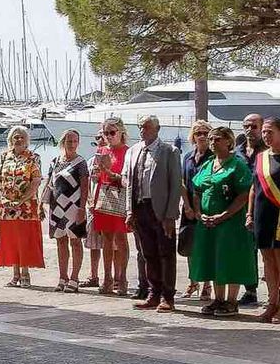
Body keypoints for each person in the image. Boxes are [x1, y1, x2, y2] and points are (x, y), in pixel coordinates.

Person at [188, 127, 257, 317]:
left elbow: (244, 194)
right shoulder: (208, 164)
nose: (212, 142)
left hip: (230, 223)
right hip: (207, 223)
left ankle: (231, 301)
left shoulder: (237, 165)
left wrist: (224, 215)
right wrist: (198, 212)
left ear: (228, 141)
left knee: (230, 259)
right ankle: (217, 299)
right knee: (214, 258)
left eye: (217, 139)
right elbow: (197, 190)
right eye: (211, 139)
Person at [123, 115, 183, 313]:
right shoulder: (133, 151)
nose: (143, 130)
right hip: (140, 207)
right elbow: (130, 184)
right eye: (141, 127)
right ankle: (153, 292)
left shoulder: (169, 151)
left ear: (157, 129)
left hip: (161, 209)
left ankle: (168, 296)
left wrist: (170, 215)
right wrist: (129, 211)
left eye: (147, 127)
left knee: (166, 253)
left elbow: (175, 185)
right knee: (147, 253)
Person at [245, 118, 280, 324]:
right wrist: (249, 214)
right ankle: (272, 302)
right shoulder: (261, 157)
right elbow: (254, 187)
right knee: (267, 259)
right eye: (265, 132)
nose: (267, 136)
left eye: (270, 132)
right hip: (262, 213)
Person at [0, 126, 45, 288]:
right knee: (11, 240)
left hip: (26, 207)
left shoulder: (33, 157)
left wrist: (22, 200)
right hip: (7, 207)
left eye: (22, 137)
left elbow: (36, 181)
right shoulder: (4, 157)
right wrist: (3, 198)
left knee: (25, 240)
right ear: (10, 140)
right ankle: (15, 274)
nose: (19, 140)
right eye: (15, 137)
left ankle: (25, 273)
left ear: (27, 140)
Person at [44, 129, 88, 293]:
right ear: (63, 142)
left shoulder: (81, 163)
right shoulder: (55, 161)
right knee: (60, 241)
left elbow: (85, 188)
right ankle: (63, 277)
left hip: (74, 207)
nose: (72, 144)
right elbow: (50, 184)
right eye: (69, 141)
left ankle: (75, 278)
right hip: (57, 208)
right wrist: (44, 205)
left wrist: (83, 208)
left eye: (75, 141)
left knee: (75, 241)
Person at [91, 117, 131, 296]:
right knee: (106, 239)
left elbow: (128, 179)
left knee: (121, 239)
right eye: (105, 133)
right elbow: (98, 178)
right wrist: (97, 175)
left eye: (112, 133)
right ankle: (107, 278)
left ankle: (121, 278)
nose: (108, 136)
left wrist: (111, 174)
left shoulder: (128, 152)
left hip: (120, 195)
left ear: (121, 132)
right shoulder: (102, 150)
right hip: (104, 195)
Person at [179, 120, 214, 301]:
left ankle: (207, 284)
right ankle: (193, 281)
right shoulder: (187, 157)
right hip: (189, 208)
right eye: (198, 133)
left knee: (205, 246)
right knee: (189, 245)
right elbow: (182, 182)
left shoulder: (213, 157)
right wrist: (186, 205)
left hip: (206, 206)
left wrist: (199, 209)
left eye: (205, 133)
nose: (201, 136)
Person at [234, 113, 266, 307]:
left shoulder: (269, 150)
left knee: (270, 253)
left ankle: (276, 291)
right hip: (240, 208)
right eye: (246, 126)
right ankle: (250, 290)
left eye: (254, 126)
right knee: (246, 250)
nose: (249, 130)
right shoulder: (237, 152)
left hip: (264, 206)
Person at [80, 129, 107, 288]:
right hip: (93, 206)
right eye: (98, 138)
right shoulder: (91, 161)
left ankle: (114, 277)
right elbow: (87, 184)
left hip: (109, 205)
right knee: (93, 243)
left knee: (113, 244)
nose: (101, 140)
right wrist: (89, 202)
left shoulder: (113, 158)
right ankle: (94, 275)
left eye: (103, 137)